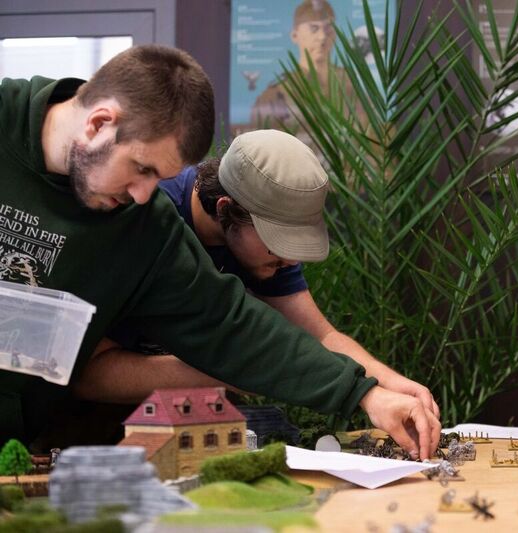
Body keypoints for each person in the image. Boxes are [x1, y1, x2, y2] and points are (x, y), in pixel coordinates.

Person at [0, 44, 439, 459]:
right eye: (141, 169)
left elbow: (231, 327)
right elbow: (93, 373)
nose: (142, 195)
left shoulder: (145, 223)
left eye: (157, 179)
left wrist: (365, 392)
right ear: (99, 124)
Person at [74, 129, 439, 420]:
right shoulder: (148, 214)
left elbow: (321, 335)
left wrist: (387, 383)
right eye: (277, 242)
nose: (289, 258)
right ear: (226, 209)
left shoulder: (264, 253)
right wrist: (239, 365)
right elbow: (89, 374)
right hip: (86, 428)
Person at [249, 0, 361, 143]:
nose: (322, 37)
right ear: (295, 35)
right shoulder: (276, 94)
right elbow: (260, 148)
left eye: (328, 28)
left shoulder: (351, 84)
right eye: (314, 28)